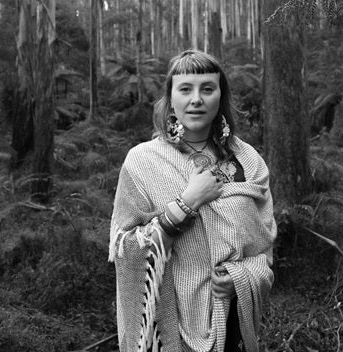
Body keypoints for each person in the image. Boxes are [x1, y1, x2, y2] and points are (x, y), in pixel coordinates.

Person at [109, 50, 277, 352]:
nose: (196, 99)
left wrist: (240, 279)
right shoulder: (141, 162)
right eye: (185, 89)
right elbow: (125, 248)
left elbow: (263, 251)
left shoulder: (248, 161)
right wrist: (187, 203)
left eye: (207, 89)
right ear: (170, 98)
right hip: (167, 332)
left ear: (220, 97)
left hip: (232, 329)